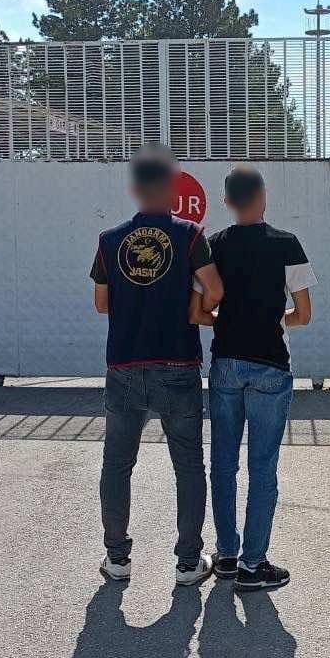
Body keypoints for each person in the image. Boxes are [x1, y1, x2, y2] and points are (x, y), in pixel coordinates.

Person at [90, 146, 223, 586]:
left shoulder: (109, 240)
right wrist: (192, 304)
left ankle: (117, 559)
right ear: (170, 188)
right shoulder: (191, 235)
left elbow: (101, 303)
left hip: (125, 365)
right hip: (178, 364)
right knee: (188, 465)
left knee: (117, 465)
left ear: (135, 189)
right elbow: (215, 291)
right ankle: (188, 563)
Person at [192, 165, 316, 592]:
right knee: (262, 467)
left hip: (226, 364)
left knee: (223, 464)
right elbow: (303, 314)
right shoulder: (287, 244)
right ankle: (253, 564)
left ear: (227, 201)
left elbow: (197, 313)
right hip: (270, 366)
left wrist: (229, 321)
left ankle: (226, 555)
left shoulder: (213, 246)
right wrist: (273, 320)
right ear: (263, 195)